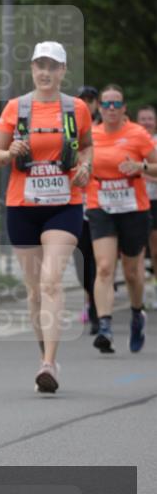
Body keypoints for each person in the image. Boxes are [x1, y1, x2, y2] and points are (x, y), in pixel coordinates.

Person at [0, 42, 93, 394]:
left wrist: (86, 166)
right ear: (32, 69)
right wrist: (10, 152)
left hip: (64, 204)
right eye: (40, 65)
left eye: (53, 66)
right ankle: (44, 355)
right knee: (35, 290)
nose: (45, 72)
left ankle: (49, 364)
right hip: (23, 206)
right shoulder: (16, 108)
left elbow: (87, 146)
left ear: (63, 71)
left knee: (51, 281)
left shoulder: (76, 109)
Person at [86, 87, 157, 353]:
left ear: (124, 108)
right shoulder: (90, 135)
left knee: (132, 272)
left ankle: (137, 314)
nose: (112, 108)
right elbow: (79, 164)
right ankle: (104, 326)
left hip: (133, 208)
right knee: (105, 267)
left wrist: (141, 167)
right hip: (101, 206)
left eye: (117, 104)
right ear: (100, 108)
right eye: (106, 104)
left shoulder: (137, 134)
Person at [75, 86, 101, 333]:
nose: (86, 103)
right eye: (81, 99)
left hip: (100, 205)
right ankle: (91, 297)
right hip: (75, 204)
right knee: (81, 263)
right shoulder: (69, 128)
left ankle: (96, 311)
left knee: (97, 262)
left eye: (90, 100)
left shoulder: (102, 129)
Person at [136, 104, 157, 309]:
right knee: (138, 249)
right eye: (143, 119)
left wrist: (145, 174)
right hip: (136, 201)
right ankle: (138, 290)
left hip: (155, 201)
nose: (147, 122)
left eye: (150, 118)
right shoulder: (132, 141)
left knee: (156, 248)